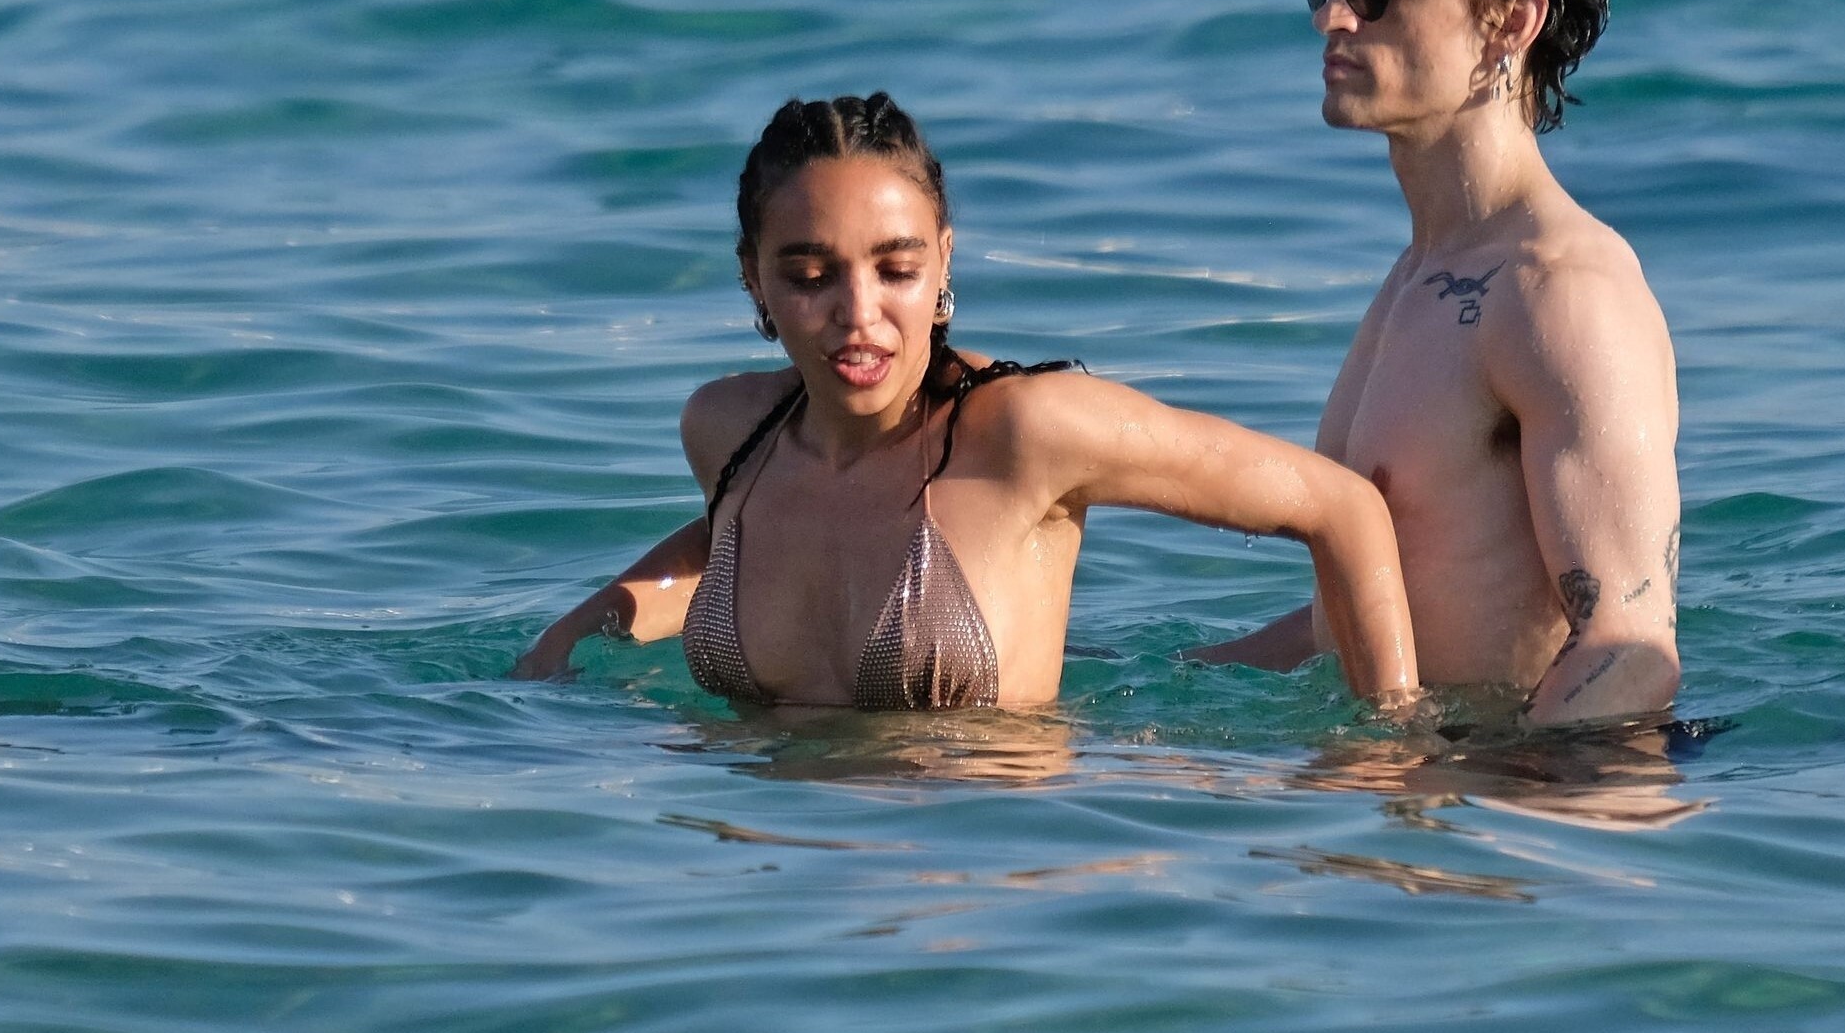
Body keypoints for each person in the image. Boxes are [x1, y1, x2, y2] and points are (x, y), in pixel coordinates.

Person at [514, 92, 1419, 710]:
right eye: (811, 275)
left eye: (896, 269)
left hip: (983, 894)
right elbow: (742, 536)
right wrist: (574, 634)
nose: (858, 313)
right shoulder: (729, 433)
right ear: (754, 279)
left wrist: (1392, 748)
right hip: (757, 893)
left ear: (943, 259)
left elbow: (1340, 506)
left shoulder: (1025, 430)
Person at [1189, 0, 1681, 728]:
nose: (1333, 16)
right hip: (1412, 785)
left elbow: (1630, 651)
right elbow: (1373, 623)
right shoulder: (1421, 275)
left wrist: (1458, 784)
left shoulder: (1560, 292)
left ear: (1511, 21)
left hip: (1516, 798)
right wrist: (1125, 693)